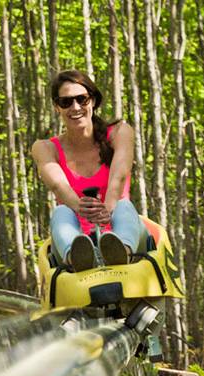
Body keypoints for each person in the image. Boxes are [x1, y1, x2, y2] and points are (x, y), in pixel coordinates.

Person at [31, 70, 149, 271]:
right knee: (61, 212)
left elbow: (119, 175)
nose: (75, 107)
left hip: (120, 224)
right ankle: (78, 257)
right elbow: (58, 186)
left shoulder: (119, 133)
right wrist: (81, 209)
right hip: (78, 233)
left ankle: (121, 253)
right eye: (66, 102)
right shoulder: (45, 148)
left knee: (124, 206)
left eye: (82, 99)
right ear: (57, 107)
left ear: (92, 101)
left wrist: (108, 208)